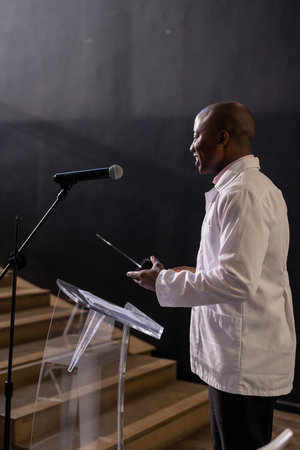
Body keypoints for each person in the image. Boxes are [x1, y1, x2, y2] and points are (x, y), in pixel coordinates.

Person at [126, 101, 296, 450]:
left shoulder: (243, 193)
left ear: (222, 138)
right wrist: (193, 272)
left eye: (196, 137)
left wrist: (163, 282)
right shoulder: (244, 188)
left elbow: (237, 282)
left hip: (244, 358)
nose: (191, 147)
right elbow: (239, 271)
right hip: (234, 356)